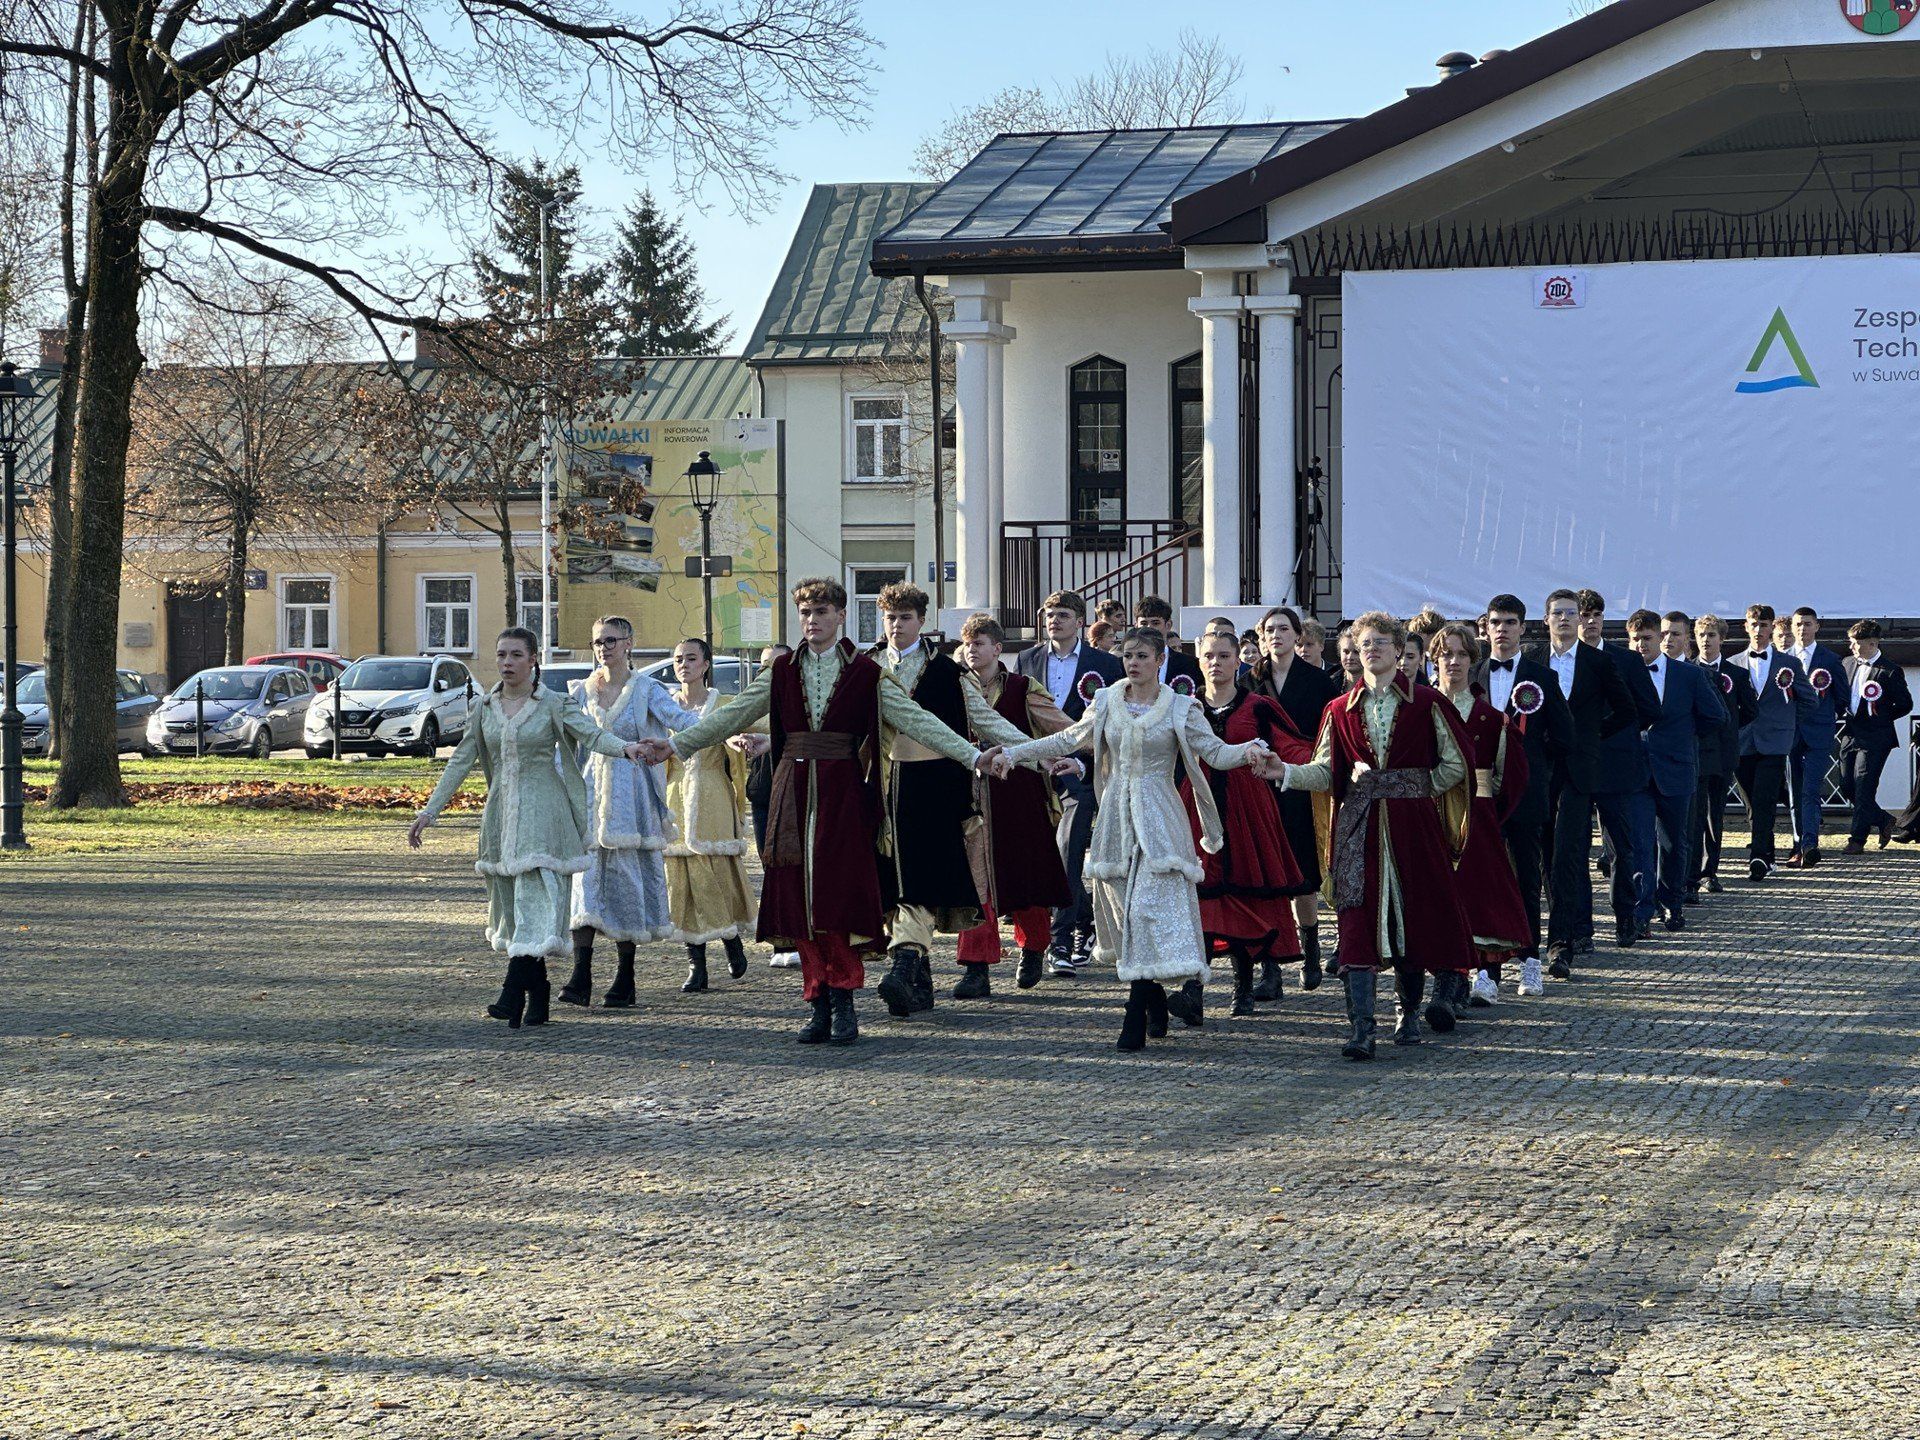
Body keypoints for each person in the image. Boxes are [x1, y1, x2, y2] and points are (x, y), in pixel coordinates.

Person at [640, 578, 999, 1047]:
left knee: (838, 897)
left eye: (822, 612)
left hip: (845, 792)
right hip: (792, 789)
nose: (813, 621)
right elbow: (733, 715)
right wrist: (676, 743)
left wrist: (972, 756)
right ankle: (817, 1000)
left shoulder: (866, 673)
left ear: (841, 615)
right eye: (806, 613)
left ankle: (845, 998)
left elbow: (918, 721)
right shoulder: (782, 669)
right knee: (798, 898)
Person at [993, 627, 1273, 1052]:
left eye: (1142, 655)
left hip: (1161, 814)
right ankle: (1155, 998)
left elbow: (1215, 753)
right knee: (1127, 914)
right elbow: (1068, 738)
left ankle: (1135, 1009)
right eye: (1127, 655)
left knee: (1147, 906)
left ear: (1161, 659)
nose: (1133, 663)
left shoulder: (1181, 707)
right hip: (1116, 818)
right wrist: (1014, 752)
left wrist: (1249, 750)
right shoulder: (1106, 701)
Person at [409, 627, 653, 1029]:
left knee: (536, 899)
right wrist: (429, 812)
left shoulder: (553, 704)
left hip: (545, 815)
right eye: (501, 654)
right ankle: (537, 990)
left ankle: (510, 989)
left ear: (533, 659)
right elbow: (461, 760)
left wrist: (626, 748)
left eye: (516, 655)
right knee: (514, 904)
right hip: (501, 816)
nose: (507, 662)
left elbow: (590, 735)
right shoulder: (484, 707)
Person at [1277, 612, 1475, 1060]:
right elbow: (1328, 770)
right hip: (1358, 828)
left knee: (1414, 915)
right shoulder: (1338, 709)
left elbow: (1455, 763)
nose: (1373, 649)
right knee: (1356, 922)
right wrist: (1286, 771)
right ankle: (1362, 1028)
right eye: (1365, 643)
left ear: (1400, 649)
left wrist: (1414, 787)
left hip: (1413, 825)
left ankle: (1407, 1013)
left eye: (1382, 642)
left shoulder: (1426, 703)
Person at [868, 582, 1030, 1017]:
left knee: (919, 879)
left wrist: (1037, 756)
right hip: (876, 787)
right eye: (889, 617)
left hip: (934, 786)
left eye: (904, 617)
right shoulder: (866, 667)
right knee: (888, 879)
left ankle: (905, 967)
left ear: (923, 621)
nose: (896, 625)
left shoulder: (945, 671)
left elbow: (984, 718)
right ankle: (916, 978)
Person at [559, 615, 702, 1010]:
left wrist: (678, 743)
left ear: (628, 644)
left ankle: (625, 977)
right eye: (597, 641)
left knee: (626, 882)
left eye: (611, 640)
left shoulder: (647, 690)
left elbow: (686, 723)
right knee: (584, 882)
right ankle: (580, 975)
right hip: (591, 792)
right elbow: (566, 746)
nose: (603, 647)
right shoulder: (581, 691)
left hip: (633, 794)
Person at [1184, 629, 1312, 1018]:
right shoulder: (1184, 708)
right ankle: (1194, 991)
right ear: (1199, 659)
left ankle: (1243, 987)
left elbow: (1294, 746)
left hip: (1249, 810)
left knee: (1244, 895)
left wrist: (1322, 763)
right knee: (1201, 900)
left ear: (1238, 659)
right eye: (1209, 656)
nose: (1216, 663)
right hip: (1196, 810)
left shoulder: (1258, 707)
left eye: (1224, 656)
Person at [952, 613, 1075, 992]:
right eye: (968, 643)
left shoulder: (1023, 687)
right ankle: (976, 967)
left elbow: (1061, 726)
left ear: (998, 649)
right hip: (969, 792)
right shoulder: (952, 687)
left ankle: (1035, 946)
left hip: (1019, 792)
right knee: (975, 881)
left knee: (1026, 879)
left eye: (980, 643)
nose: (972, 649)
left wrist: (1090, 741)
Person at [1014, 590, 1125, 976]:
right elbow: (1021, 718)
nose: (1053, 620)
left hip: (1080, 774)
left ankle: (1059, 942)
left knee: (1069, 851)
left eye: (1062, 614)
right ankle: (1084, 921)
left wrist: (1078, 761)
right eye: (1048, 614)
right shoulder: (1027, 659)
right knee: (1039, 856)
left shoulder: (1105, 665)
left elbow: (1110, 724)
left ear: (1080, 621)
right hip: (1038, 772)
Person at [1471, 594, 1573, 997]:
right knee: (1483, 883)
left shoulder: (1541, 678)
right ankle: (1486, 972)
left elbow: (1565, 737)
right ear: (1486, 627)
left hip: (1526, 798)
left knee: (1527, 880)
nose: (1502, 629)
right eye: (1495, 622)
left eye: (1510, 622)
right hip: (1477, 798)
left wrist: (1537, 773)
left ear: (1523, 627)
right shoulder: (1470, 674)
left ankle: (1530, 961)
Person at [1532, 587, 1635, 979]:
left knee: (1569, 853)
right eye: (1556, 613)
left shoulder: (1598, 662)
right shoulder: (1533, 659)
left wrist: (1590, 737)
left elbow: (1627, 710)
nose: (1564, 619)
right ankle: (1560, 930)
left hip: (1579, 771)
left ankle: (1564, 940)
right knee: (1544, 853)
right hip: (1541, 769)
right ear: (1546, 620)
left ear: (1580, 620)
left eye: (1570, 613)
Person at [1431, 623, 1533, 1008]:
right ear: (1434, 659)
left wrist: (1491, 814)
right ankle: (1447, 975)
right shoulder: (1422, 708)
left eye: (1460, 655)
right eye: (1445, 655)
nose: (1453, 662)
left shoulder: (1492, 719)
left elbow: (1513, 776)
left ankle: (1479, 972)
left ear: (1472, 661)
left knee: (1478, 894)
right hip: (1430, 815)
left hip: (1477, 817)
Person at [1243, 605, 1340, 997]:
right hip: (1259, 786)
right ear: (1261, 637)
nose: (1276, 635)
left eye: (1284, 629)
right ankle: (1271, 969)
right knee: (1267, 877)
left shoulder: (1318, 683)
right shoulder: (1249, 682)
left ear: (1297, 635)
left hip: (1302, 787)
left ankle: (1312, 950)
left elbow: (1329, 735)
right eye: (1270, 630)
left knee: (1302, 876)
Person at [662, 637, 757, 993]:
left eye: (690, 658)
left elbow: (734, 753)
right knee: (683, 881)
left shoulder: (723, 705)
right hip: (677, 796)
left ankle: (731, 940)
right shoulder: (665, 707)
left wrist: (737, 806)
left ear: (705, 664)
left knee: (716, 874)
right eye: (677, 659)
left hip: (713, 792)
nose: (683, 665)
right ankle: (695, 963)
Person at [1628, 610, 1727, 931]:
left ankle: (1672, 903)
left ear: (1661, 638)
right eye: (1636, 639)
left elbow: (1716, 716)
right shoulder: (1623, 674)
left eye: (1648, 638)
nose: (1642, 644)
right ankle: (1642, 911)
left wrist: (1683, 734)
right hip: (1637, 772)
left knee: (1674, 842)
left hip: (1677, 769)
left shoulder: (1689, 675)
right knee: (1641, 843)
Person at [1581, 590, 1663, 944]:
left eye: (1596, 613)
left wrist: (1614, 734)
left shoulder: (1626, 661)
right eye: (1584, 613)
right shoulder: (1554, 662)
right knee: (1572, 849)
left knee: (1622, 848)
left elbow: (1650, 709)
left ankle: (1625, 917)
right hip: (1575, 768)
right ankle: (1578, 929)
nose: (1590, 620)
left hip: (1617, 765)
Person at [1729, 603, 1815, 882]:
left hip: (1775, 742)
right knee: (1752, 804)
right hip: (1743, 742)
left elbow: (1809, 699)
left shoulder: (1788, 664)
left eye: (1764, 625)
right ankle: (1766, 855)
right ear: (1746, 627)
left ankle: (1757, 856)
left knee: (1765, 799)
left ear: (1771, 629)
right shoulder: (1733, 664)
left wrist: (1786, 722)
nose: (1758, 631)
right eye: (1754, 625)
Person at [1689, 615, 1756, 899]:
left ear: (1722, 639)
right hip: (1693, 752)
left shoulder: (1736, 674)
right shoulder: (1686, 670)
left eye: (1712, 635)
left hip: (1722, 754)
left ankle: (1709, 871)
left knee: (1714, 813)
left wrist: (1728, 729)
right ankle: (1688, 872)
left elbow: (1751, 710)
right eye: (1701, 634)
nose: (1706, 640)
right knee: (1692, 815)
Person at [747, 644, 801, 969]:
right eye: (764, 664)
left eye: (776, 663)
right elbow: (728, 726)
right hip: (761, 790)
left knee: (791, 864)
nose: (769, 669)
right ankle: (778, 938)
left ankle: (797, 938)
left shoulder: (797, 697)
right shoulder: (755, 698)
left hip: (793, 790)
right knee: (769, 866)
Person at [1838, 619, 1913, 853]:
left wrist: (1880, 716)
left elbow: (1905, 704)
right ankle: (1882, 819)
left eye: (1856, 643)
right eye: (1850, 642)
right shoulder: (1847, 663)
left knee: (1863, 786)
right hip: (1850, 733)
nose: (1851, 647)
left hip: (1876, 737)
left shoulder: (1890, 670)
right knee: (1846, 786)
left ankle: (1857, 839)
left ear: (1872, 643)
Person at [1783, 607, 1847, 868]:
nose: (1802, 629)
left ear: (1817, 627)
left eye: (1807, 624)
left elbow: (1842, 697)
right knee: (1793, 792)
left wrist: (1827, 718)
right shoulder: (1782, 658)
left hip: (1819, 735)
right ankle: (1797, 844)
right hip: (1789, 734)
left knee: (1810, 790)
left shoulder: (1830, 659)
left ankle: (1810, 844)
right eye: (1798, 624)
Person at [1134, 595, 1203, 688]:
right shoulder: (1123, 665)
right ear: (1136, 626)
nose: (1149, 628)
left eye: (1155, 623)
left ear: (1168, 625)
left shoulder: (1191, 665)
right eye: (1144, 623)